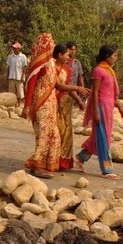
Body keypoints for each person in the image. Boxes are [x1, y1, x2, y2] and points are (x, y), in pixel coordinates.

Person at [22, 36, 90, 179]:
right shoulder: (40, 66)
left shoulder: (52, 65)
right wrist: (26, 107)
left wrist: (77, 89)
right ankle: (36, 166)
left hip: (51, 103)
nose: (69, 56)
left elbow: (57, 85)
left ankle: (46, 164)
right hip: (41, 104)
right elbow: (31, 86)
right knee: (44, 135)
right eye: (51, 44)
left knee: (55, 136)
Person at [75, 45, 123, 180]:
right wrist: (96, 112)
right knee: (104, 138)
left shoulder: (110, 71)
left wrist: (120, 108)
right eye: (114, 55)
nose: (116, 58)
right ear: (107, 56)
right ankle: (106, 169)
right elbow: (96, 92)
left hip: (109, 108)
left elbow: (112, 93)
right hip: (101, 107)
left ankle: (80, 158)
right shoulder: (98, 70)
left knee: (100, 136)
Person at [58, 42, 88, 169]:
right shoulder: (60, 65)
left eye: (74, 50)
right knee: (61, 127)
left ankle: (62, 158)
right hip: (61, 95)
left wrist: (80, 91)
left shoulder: (76, 63)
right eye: (70, 50)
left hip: (71, 94)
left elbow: (80, 77)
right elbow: (60, 85)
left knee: (66, 126)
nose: (72, 52)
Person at [6, 42, 28, 107]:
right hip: (11, 76)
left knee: (19, 93)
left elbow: (25, 67)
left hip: (19, 77)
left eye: (15, 48)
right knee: (11, 92)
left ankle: (19, 105)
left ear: (19, 49)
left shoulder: (23, 57)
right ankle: (13, 104)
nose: (14, 49)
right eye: (13, 48)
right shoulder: (10, 57)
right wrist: (7, 76)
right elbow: (8, 67)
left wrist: (22, 76)